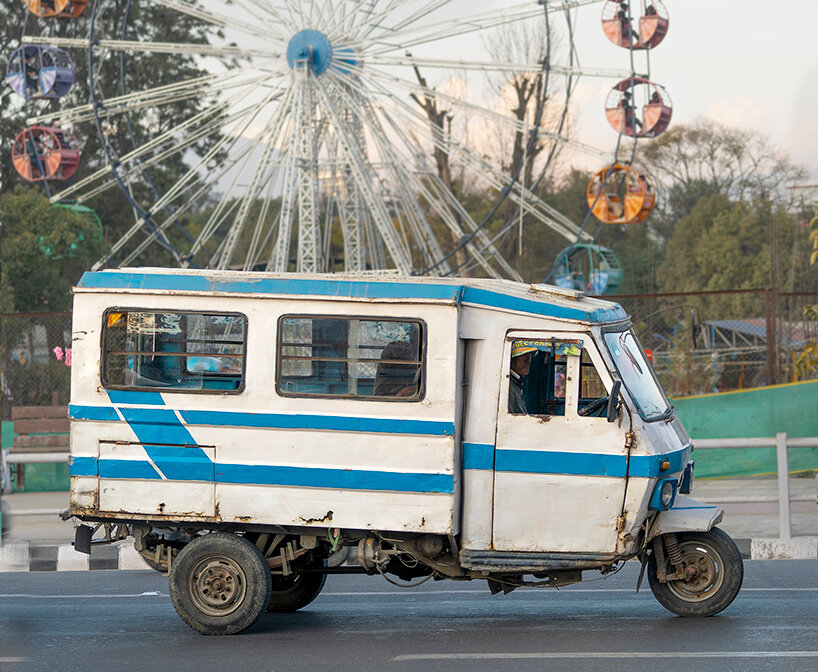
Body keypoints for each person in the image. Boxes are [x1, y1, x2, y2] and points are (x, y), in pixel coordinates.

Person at [508, 341, 538, 414]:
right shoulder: (508, 385)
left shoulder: (517, 382)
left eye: (530, 354)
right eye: (523, 355)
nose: (528, 360)